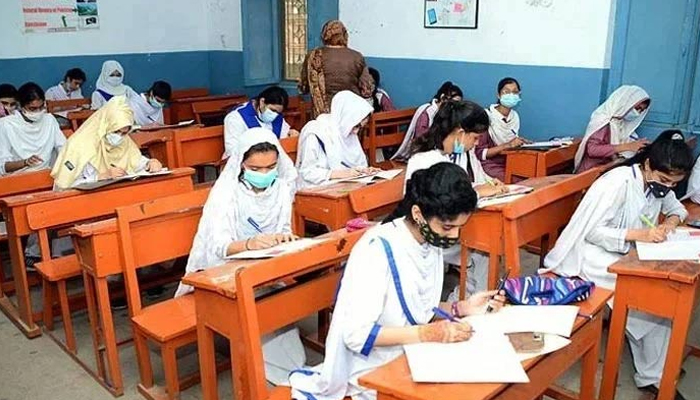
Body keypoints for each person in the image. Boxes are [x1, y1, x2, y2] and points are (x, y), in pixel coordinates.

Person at [289, 162, 506, 400]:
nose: (453, 236)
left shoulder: (428, 240)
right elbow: (356, 336)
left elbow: (416, 311)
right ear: (417, 214)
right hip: (371, 367)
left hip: (414, 352)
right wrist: (427, 334)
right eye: (447, 227)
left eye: (459, 228)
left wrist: (462, 307)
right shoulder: (377, 251)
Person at [542, 130, 693, 399]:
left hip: (625, 253)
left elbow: (676, 209)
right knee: (653, 297)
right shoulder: (618, 183)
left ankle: (656, 376)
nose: (667, 187)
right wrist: (640, 235)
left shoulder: (657, 182)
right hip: (589, 257)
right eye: (665, 180)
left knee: (659, 298)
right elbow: (593, 232)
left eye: (674, 183)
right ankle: (654, 375)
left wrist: (670, 222)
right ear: (648, 165)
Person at [174, 127, 303, 384]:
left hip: (264, 266)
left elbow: (284, 229)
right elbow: (219, 246)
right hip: (222, 270)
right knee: (260, 309)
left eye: (271, 167)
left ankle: (291, 366)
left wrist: (284, 238)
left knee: (281, 303)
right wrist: (250, 243)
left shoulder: (280, 188)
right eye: (256, 169)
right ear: (242, 165)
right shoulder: (226, 192)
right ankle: (271, 372)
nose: (265, 174)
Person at [405, 100, 507, 295]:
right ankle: (467, 302)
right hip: (431, 233)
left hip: (452, 228)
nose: (476, 144)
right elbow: (439, 206)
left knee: (488, 244)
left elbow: (464, 187)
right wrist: (476, 193)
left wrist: (488, 186)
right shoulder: (425, 161)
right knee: (485, 249)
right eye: (475, 138)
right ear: (460, 133)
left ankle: (472, 299)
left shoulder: (458, 155)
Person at [51, 97, 162, 189]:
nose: (119, 137)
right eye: (115, 131)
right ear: (105, 126)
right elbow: (65, 185)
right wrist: (99, 177)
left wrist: (150, 163)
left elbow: (136, 161)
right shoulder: (79, 145)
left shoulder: (125, 141)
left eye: (124, 133)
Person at [296, 90, 377, 189]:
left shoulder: (347, 133)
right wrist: (338, 174)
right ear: (345, 118)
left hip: (344, 186)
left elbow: (354, 165)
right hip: (315, 188)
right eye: (356, 126)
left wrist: (364, 171)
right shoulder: (316, 133)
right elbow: (307, 172)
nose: (356, 132)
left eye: (360, 128)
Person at [298, 20, 374, 117]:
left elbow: (303, 87)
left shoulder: (313, 56)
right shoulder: (356, 56)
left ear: (324, 35)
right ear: (345, 35)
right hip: (349, 113)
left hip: (322, 115)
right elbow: (367, 88)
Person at [575, 85, 651, 173]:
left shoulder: (622, 122)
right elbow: (592, 150)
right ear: (625, 103)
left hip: (611, 167)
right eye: (637, 108)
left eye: (641, 111)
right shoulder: (604, 121)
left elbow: (628, 141)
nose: (637, 113)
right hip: (592, 171)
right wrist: (627, 147)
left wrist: (639, 146)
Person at [0, 82, 65, 176]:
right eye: (32, 109)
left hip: (45, 174)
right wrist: (25, 162)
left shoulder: (49, 120)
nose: (38, 112)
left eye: (41, 107)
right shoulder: (6, 124)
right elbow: (3, 166)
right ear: (20, 105)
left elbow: (63, 147)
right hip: (16, 178)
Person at [391, 81, 463, 161]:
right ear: (443, 98)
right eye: (453, 103)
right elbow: (420, 140)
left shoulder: (453, 115)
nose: (454, 107)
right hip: (424, 153)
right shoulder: (426, 113)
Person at [223, 86, 299, 159]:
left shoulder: (277, 117)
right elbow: (232, 150)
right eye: (272, 110)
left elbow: (284, 138)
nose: (275, 115)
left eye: (278, 112)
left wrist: (291, 135)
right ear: (262, 102)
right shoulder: (236, 118)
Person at [476, 77, 529, 181]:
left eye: (515, 92)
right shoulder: (486, 116)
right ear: (498, 95)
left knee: (531, 176)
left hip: (509, 161)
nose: (511, 95)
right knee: (517, 181)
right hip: (489, 164)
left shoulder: (514, 117)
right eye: (506, 92)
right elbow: (480, 153)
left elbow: (512, 142)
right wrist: (507, 145)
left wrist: (521, 143)